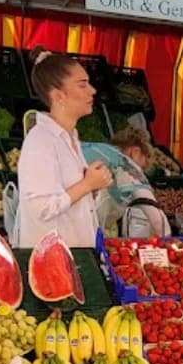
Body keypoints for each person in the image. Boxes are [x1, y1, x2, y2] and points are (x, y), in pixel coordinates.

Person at [16, 48, 112, 247]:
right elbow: (41, 208)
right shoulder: (40, 142)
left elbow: (68, 198)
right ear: (59, 96)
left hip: (75, 253)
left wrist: (92, 187)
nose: (92, 90)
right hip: (52, 260)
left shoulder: (70, 136)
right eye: (82, 85)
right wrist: (87, 185)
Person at [108, 127, 171, 238]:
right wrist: (167, 242)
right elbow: (158, 222)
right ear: (135, 152)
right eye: (142, 165)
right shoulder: (128, 172)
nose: (140, 171)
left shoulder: (104, 160)